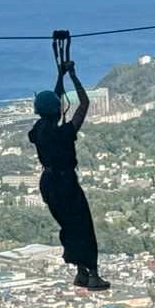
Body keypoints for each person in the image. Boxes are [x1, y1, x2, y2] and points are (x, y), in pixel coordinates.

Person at [29, 59, 110, 290]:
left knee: (68, 226)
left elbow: (55, 102)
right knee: (83, 226)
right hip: (66, 183)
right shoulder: (63, 133)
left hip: (48, 183)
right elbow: (84, 104)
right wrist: (73, 75)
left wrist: (60, 76)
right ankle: (92, 275)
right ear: (57, 111)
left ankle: (81, 272)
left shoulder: (38, 130)